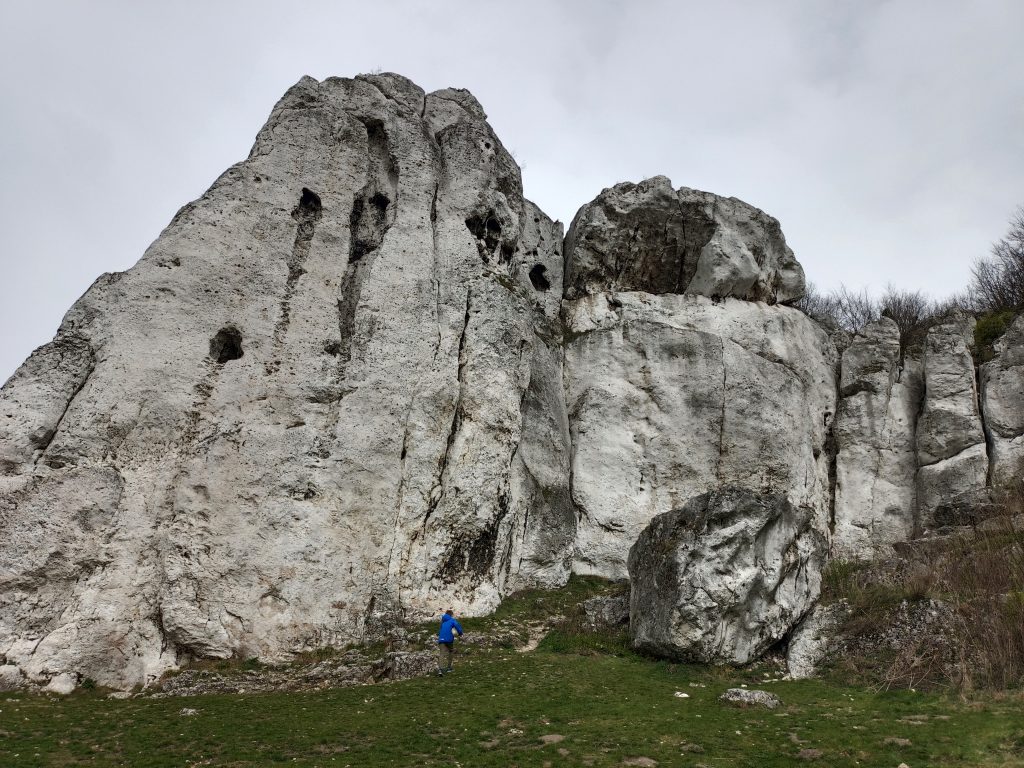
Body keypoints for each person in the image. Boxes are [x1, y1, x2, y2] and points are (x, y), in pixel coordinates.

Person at [436, 608, 464, 676]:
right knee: (451, 651)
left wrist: (438, 635)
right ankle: (449, 668)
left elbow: (440, 630)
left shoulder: (443, 622)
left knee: (442, 654)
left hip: (441, 639)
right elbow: (457, 626)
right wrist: (460, 633)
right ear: (451, 614)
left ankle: (440, 670)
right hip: (449, 639)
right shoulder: (452, 620)